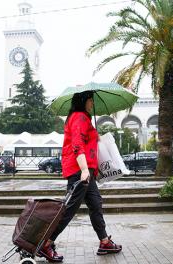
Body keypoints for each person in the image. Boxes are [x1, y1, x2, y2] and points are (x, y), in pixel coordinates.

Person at [39, 91, 122, 262]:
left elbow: (86, 141)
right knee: (68, 208)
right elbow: (77, 144)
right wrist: (84, 169)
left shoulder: (84, 118)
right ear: (83, 101)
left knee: (96, 203)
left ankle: (104, 241)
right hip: (79, 170)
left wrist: (95, 137)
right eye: (90, 100)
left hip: (86, 170)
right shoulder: (79, 117)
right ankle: (45, 244)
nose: (92, 104)